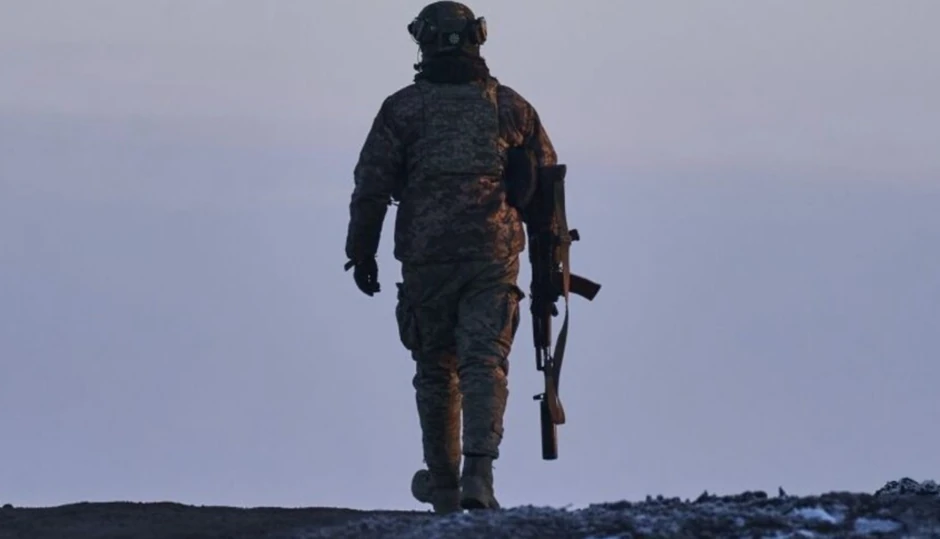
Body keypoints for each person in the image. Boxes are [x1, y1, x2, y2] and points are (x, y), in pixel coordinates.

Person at [343, 1, 558, 514]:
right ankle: (478, 476)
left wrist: (362, 251)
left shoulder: (401, 110)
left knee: (437, 367)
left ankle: (444, 486)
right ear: (478, 38)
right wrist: (548, 267)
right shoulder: (512, 108)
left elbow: (371, 186)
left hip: (427, 259)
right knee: (485, 360)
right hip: (493, 255)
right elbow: (548, 191)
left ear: (423, 41)